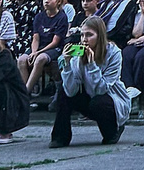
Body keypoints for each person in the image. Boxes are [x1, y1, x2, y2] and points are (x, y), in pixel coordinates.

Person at [52, 15, 125, 146]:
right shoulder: (77, 53)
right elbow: (70, 91)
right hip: (86, 95)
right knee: (63, 91)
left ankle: (112, 131)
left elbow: (102, 89)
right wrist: (67, 65)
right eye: (82, 35)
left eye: (89, 35)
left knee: (98, 102)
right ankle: (60, 137)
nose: (84, 40)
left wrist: (91, 64)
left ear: (100, 36)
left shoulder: (114, 53)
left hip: (109, 97)